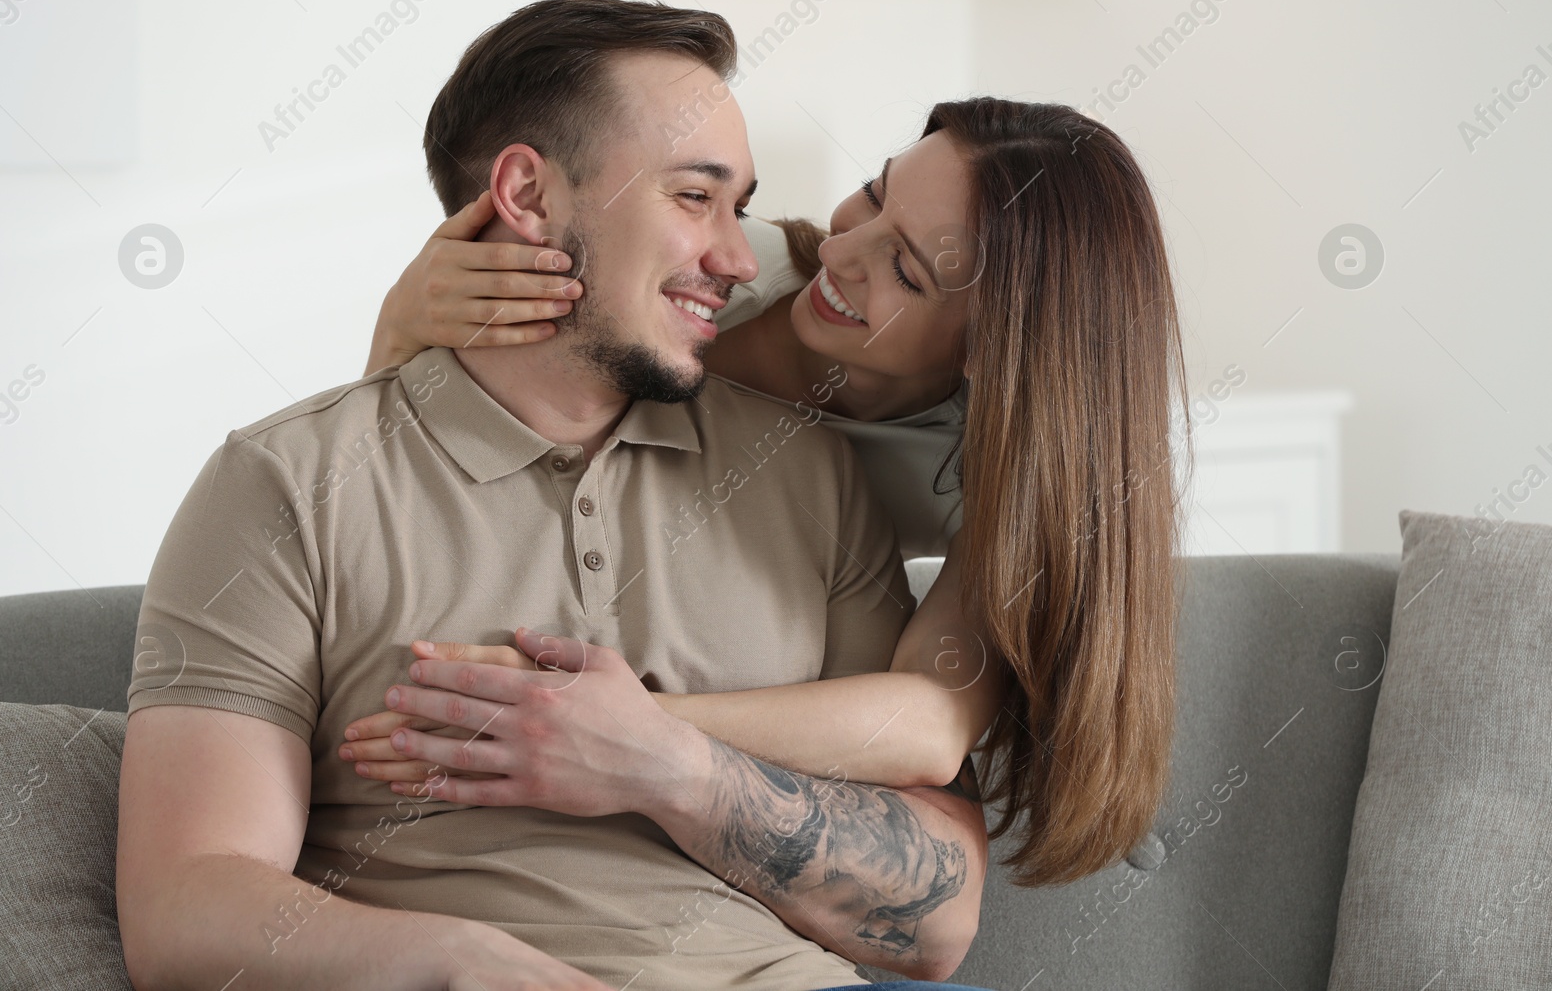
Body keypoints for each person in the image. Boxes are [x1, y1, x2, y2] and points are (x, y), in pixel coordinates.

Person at [116, 0, 995, 991]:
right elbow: (183, 903)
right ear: (527, 194)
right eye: (694, 197)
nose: (742, 259)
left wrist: (660, 759)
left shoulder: (816, 476)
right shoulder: (284, 483)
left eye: (738, 207)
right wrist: (450, 956)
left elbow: (938, 920)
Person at [352, 75, 1192, 890]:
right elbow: (389, 469)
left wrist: (611, 729)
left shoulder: (995, 463)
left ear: (989, 348)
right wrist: (398, 326)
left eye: (904, 270)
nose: (840, 250)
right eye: (873, 192)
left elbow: (931, 722)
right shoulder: (713, 276)